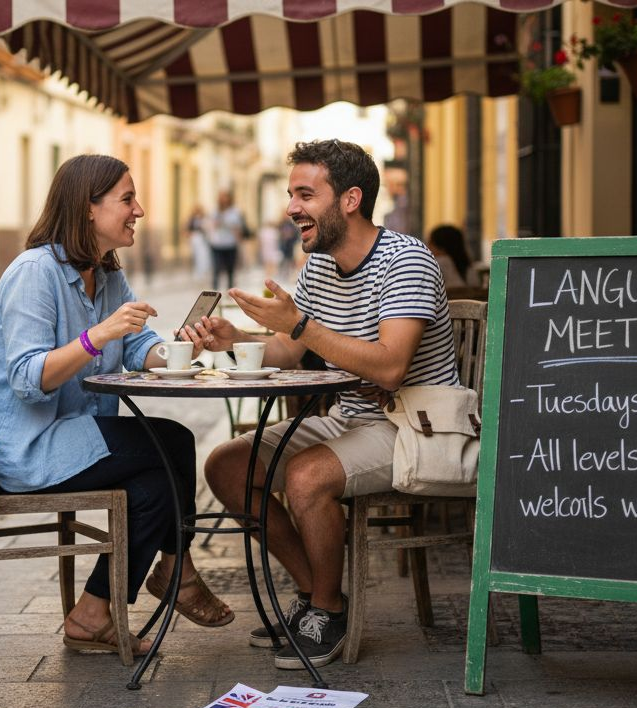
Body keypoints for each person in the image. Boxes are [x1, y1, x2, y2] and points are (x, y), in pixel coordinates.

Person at [187, 140, 459, 670]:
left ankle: (326, 609)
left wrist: (298, 324)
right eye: (292, 194)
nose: (292, 208)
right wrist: (233, 340)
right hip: (354, 419)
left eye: (305, 194)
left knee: (308, 476)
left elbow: (389, 367)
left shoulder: (405, 260)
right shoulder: (321, 267)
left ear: (351, 199)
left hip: (412, 423)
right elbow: (290, 350)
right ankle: (319, 596)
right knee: (226, 465)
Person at [0, 155, 234, 658]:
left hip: (77, 437)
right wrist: (98, 335)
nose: (140, 209)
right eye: (127, 199)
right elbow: (29, 379)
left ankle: (92, 613)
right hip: (27, 450)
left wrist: (181, 349)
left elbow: (139, 348)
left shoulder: (106, 273)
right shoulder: (34, 273)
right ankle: (177, 572)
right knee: (175, 441)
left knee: (156, 484)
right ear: (88, 208)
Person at [208, 190, 245, 291]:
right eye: (221, 197)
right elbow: (211, 225)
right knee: (216, 268)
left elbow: (238, 228)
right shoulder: (215, 211)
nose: (223, 199)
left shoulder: (235, 211)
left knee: (230, 269)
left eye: (225, 197)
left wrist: (239, 242)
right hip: (216, 243)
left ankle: (230, 290)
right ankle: (214, 291)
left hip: (230, 244)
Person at [428, 224, 470, 288]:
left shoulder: (439, 262)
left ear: (441, 248)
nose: (428, 247)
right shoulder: (468, 266)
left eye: (430, 243)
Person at [187, 204, 212, 280]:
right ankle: (198, 272)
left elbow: (207, 228)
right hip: (195, 238)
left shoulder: (204, 218)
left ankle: (202, 271)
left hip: (202, 238)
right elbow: (189, 228)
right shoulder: (192, 218)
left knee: (203, 256)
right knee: (196, 255)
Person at [276, 214, 300, 282]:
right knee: (283, 260)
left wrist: (290, 236)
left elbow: (296, 233)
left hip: (290, 245)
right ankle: (282, 274)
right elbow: (279, 233)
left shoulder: (292, 224)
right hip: (284, 245)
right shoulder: (281, 224)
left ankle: (289, 275)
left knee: (291, 260)